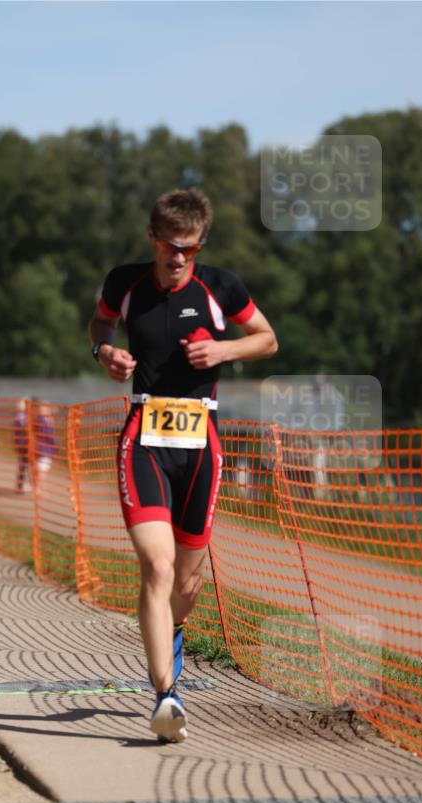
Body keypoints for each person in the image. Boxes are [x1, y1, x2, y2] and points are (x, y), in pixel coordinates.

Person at [89, 189, 278, 743]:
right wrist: (105, 354)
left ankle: (171, 632)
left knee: (188, 582)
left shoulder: (220, 287)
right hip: (144, 436)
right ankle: (166, 696)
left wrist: (224, 352)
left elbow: (267, 339)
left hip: (203, 444)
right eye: (173, 249)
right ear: (153, 238)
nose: (181, 260)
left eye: (191, 250)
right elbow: (99, 328)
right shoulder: (124, 284)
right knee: (158, 565)